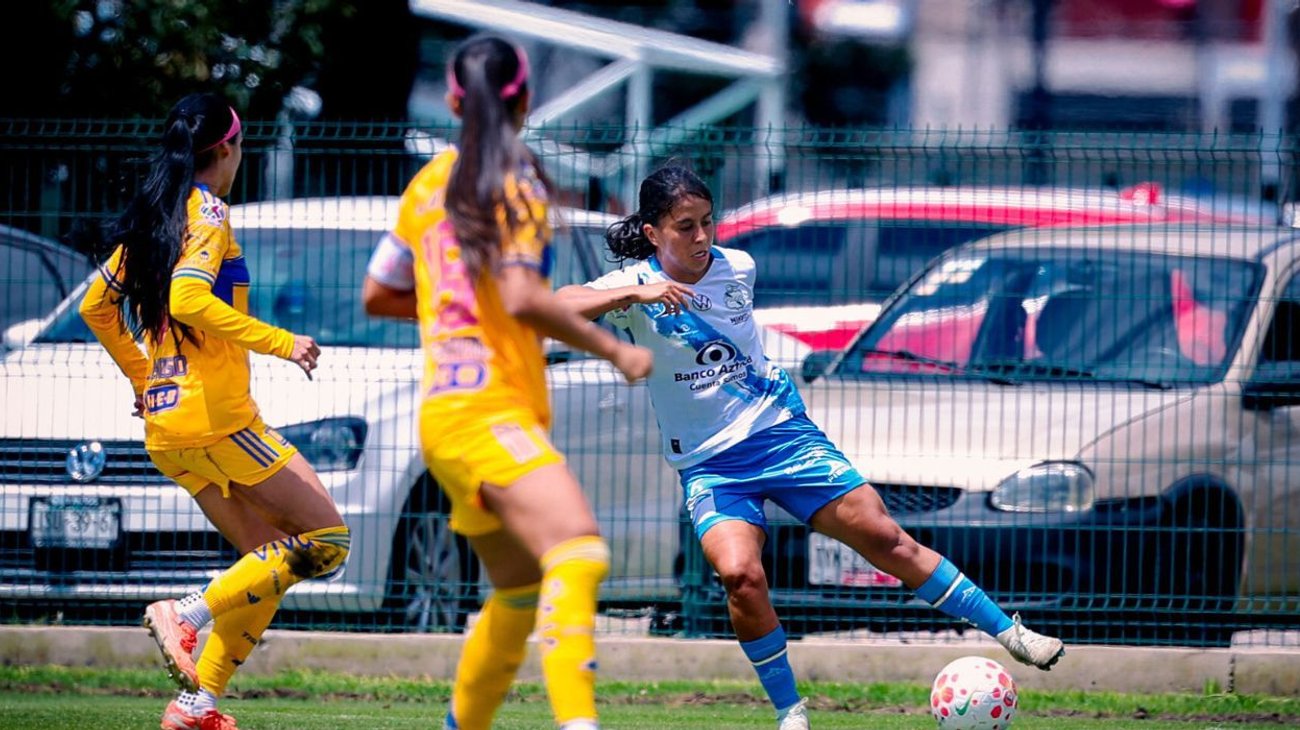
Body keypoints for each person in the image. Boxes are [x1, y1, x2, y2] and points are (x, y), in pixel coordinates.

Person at [555, 165, 1067, 730]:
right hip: (710, 464)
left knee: (884, 537)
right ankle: (790, 711)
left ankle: (1011, 633)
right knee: (739, 576)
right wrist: (634, 289)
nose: (702, 238)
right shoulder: (632, 287)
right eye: (685, 227)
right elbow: (556, 307)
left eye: (707, 222)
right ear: (653, 233)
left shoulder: (737, 268)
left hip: (779, 433)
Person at [361, 34, 653, 730]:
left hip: (444, 418)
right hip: (490, 411)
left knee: (520, 593)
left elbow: (378, 292)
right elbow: (523, 297)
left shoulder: (428, 184)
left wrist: (453, 310)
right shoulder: (516, 178)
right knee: (579, 552)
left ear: (455, 101)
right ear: (524, 97)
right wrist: (614, 350)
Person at [79, 93, 350, 730]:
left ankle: (197, 704)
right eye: (243, 144)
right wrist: (283, 342)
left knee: (265, 565)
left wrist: (146, 375)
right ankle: (188, 613)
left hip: (168, 428)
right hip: (220, 418)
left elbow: (97, 304)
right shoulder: (208, 212)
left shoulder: (158, 215)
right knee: (327, 543)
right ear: (226, 148)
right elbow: (190, 298)